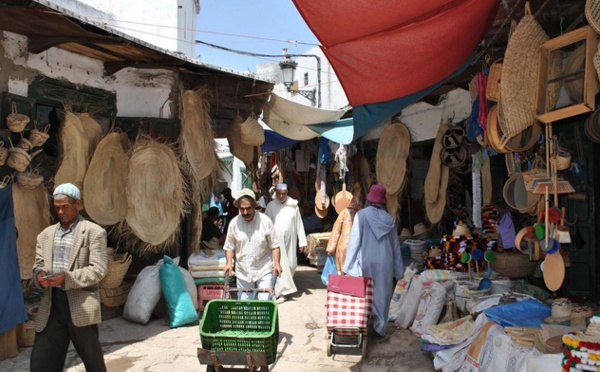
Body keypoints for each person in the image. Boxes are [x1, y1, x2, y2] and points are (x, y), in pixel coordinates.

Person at [30, 183, 108, 372]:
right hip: (52, 304)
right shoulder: (46, 235)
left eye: (65, 206)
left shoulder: (93, 232)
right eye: (57, 207)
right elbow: (38, 264)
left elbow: (98, 269)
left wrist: (67, 278)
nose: (61, 211)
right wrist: (39, 275)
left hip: (79, 303)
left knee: (93, 361)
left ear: (77, 204)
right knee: (42, 361)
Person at [343, 184, 403, 340]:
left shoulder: (361, 216)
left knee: (366, 294)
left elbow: (354, 241)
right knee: (383, 294)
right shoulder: (389, 219)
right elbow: (395, 247)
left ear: (369, 200)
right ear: (383, 202)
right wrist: (399, 271)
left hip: (366, 261)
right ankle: (379, 329)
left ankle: (364, 324)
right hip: (385, 263)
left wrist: (348, 267)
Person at [223, 188, 283, 300]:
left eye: (248, 208)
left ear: (254, 206)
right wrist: (229, 263)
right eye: (242, 209)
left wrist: (277, 264)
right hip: (243, 271)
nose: (245, 212)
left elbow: (274, 245)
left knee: (265, 302)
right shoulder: (234, 224)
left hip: (263, 268)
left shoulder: (265, 221)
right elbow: (229, 247)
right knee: (246, 305)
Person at [265, 183, 307, 303]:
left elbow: (299, 224)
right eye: (279, 194)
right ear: (276, 193)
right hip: (275, 242)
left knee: (291, 264)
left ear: (287, 193)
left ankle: (284, 290)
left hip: (290, 242)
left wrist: (302, 242)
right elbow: (266, 223)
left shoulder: (293, 206)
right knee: (278, 264)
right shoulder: (271, 206)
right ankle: (281, 292)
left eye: (284, 194)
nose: (281, 196)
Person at [326, 189, 363, 274]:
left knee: (341, 272)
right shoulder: (362, 214)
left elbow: (336, 231)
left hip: (343, 246)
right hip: (357, 247)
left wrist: (331, 248)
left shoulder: (344, 212)